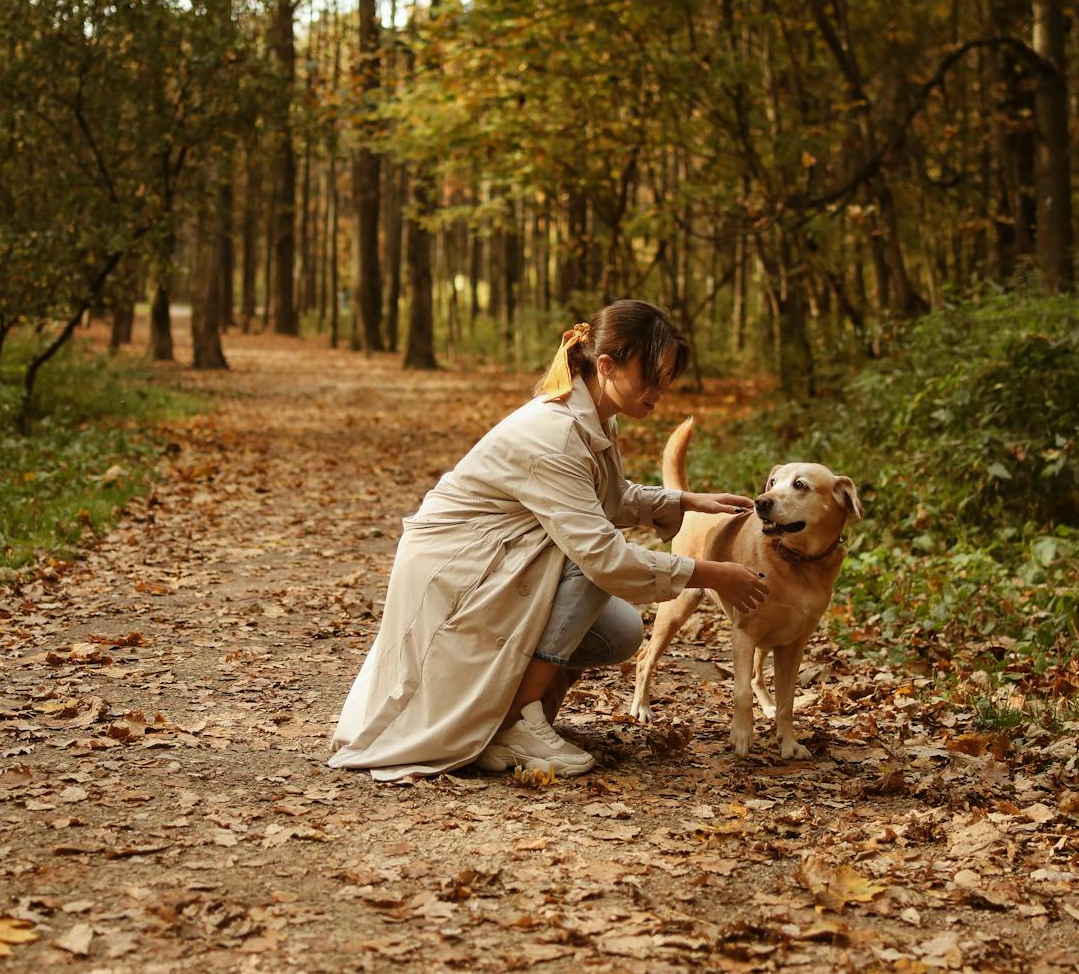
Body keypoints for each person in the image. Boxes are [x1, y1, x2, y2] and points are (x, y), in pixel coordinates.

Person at [328, 299, 772, 780]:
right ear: (606, 365)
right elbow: (603, 554)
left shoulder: (596, 415)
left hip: (499, 557)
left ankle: (510, 721)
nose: (660, 392)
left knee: (618, 631)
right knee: (591, 565)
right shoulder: (555, 432)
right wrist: (711, 575)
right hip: (459, 568)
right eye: (652, 377)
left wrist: (685, 501)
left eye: (666, 379)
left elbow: (608, 498)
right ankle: (519, 718)